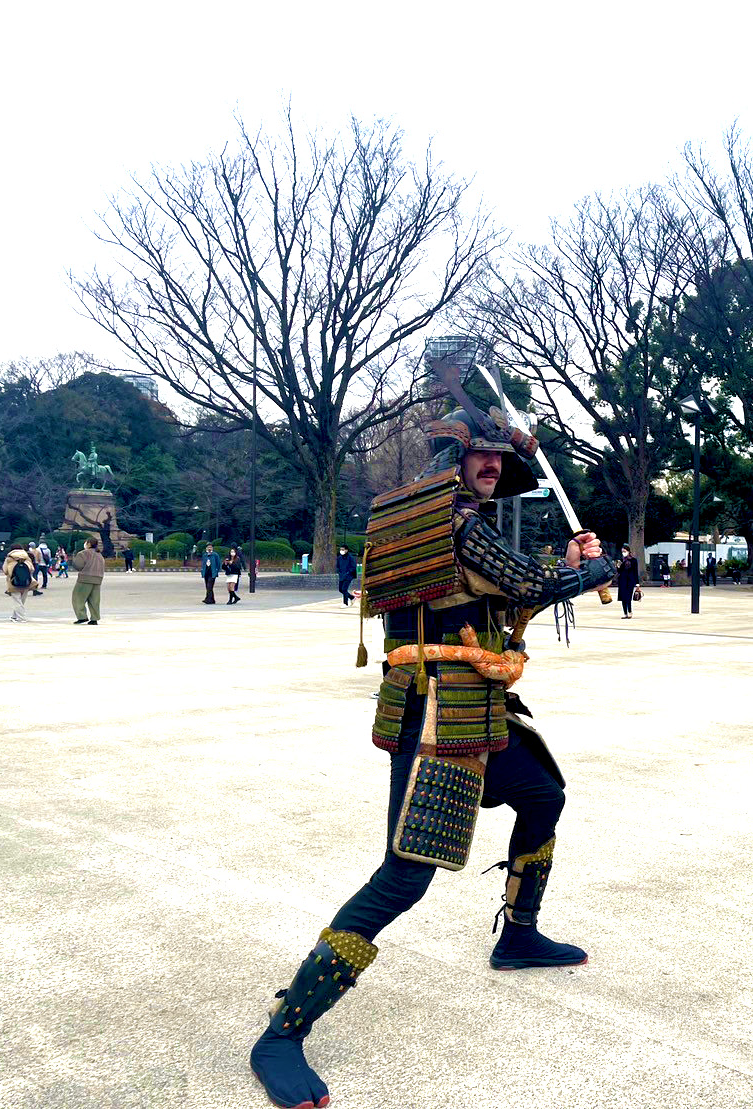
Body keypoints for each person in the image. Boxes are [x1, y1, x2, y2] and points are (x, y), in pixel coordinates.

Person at [249, 389, 614, 1109]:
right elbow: (527, 582)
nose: (492, 465)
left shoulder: (428, 522)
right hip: (439, 715)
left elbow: (495, 596)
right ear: (453, 458)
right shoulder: (459, 524)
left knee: (543, 794)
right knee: (404, 877)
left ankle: (518, 935)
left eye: (499, 457)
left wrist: (564, 567)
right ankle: (283, 1033)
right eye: (481, 454)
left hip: (472, 705)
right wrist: (593, 571)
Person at [70, 537, 105, 625]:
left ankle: (82, 616)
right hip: (98, 579)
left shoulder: (83, 553)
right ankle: (94, 618)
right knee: (94, 600)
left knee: (78, 598)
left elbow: (78, 566)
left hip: (85, 578)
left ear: (89, 544)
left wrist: (73, 559)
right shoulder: (99, 555)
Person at [2, 543, 37, 622]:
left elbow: (5, 570)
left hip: (13, 581)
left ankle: (22, 618)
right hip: (26, 581)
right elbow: (32, 569)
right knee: (21, 600)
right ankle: (14, 616)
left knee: (17, 601)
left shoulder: (9, 558)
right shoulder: (26, 557)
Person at [616, 543, 640, 618]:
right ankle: (625, 613)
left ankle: (630, 611)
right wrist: (618, 566)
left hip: (630, 580)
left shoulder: (633, 560)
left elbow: (635, 571)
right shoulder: (621, 560)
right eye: (622, 551)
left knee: (628, 597)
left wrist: (637, 583)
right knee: (623, 597)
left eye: (625, 551)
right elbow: (619, 571)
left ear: (628, 551)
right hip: (622, 580)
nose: (623, 553)